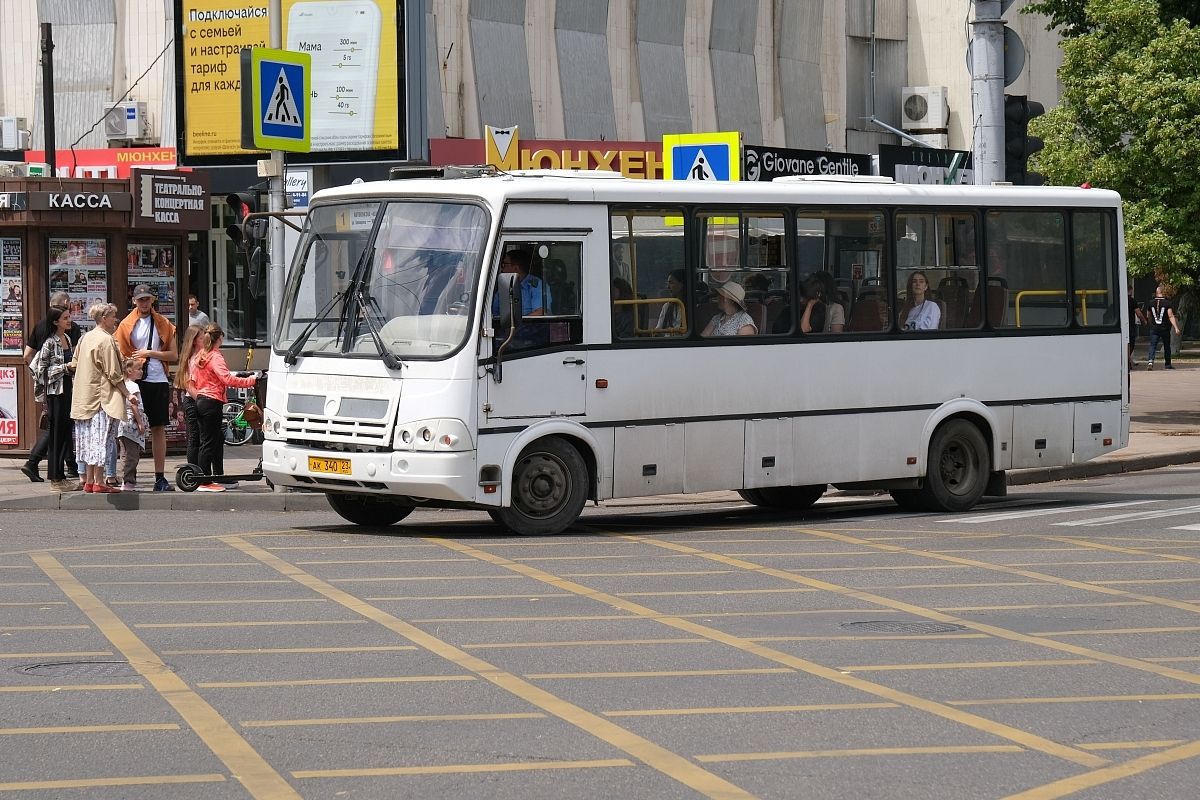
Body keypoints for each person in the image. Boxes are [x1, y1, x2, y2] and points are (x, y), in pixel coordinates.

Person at [116, 284, 178, 491]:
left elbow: (173, 355)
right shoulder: (125, 325)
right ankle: (129, 477)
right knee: (130, 428)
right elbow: (120, 354)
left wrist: (150, 353)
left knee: (158, 427)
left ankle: (159, 477)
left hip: (158, 378)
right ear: (134, 301)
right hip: (135, 379)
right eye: (140, 299)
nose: (144, 302)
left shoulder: (163, 323)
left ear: (152, 300)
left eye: (147, 299)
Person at [21, 292, 82, 483]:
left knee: (64, 431)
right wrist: (64, 368)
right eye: (66, 317)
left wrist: (73, 369)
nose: (70, 319)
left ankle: (62, 473)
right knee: (55, 433)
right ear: (56, 321)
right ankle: (54, 474)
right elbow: (40, 370)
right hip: (55, 393)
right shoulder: (49, 342)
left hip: (68, 390)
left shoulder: (68, 339)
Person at [190, 323, 258, 493]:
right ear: (219, 338)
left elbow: (197, 379)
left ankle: (210, 477)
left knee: (211, 439)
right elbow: (227, 379)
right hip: (212, 401)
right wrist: (251, 381)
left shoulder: (201, 355)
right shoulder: (215, 356)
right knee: (209, 442)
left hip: (201, 399)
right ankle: (205, 481)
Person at [71, 303, 129, 494]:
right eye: (113, 316)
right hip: (101, 399)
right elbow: (113, 373)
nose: (115, 320)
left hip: (84, 398)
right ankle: (98, 481)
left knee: (87, 440)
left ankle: (89, 481)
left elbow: (75, 363)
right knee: (102, 440)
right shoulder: (106, 340)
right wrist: (128, 394)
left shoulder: (85, 337)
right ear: (104, 318)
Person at [174, 324, 205, 467]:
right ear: (194, 340)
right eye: (201, 336)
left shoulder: (203, 355)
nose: (205, 338)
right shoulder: (191, 359)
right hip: (194, 400)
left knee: (202, 437)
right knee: (195, 437)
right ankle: (193, 470)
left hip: (200, 398)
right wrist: (202, 400)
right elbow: (188, 384)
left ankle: (200, 470)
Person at [117, 358, 149, 491]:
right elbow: (134, 405)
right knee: (132, 454)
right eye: (138, 369)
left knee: (125, 453)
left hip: (122, 423)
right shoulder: (133, 386)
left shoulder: (123, 384)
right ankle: (128, 481)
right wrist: (140, 423)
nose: (141, 372)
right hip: (131, 423)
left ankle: (127, 479)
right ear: (129, 371)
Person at [1145, 284, 1182, 369]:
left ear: (1156, 293)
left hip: (1154, 328)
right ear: (1163, 293)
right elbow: (1170, 316)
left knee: (1153, 345)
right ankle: (1167, 364)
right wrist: (1176, 327)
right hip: (1165, 328)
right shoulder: (1167, 303)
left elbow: (1148, 315)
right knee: (1166, 345)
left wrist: (1151, 323)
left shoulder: (1151, 302)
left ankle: (1150, 361)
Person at [1127, 283, 1146, 369]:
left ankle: (1127, 360)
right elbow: (1138, 313)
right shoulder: (1132, 300)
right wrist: (1144, 321)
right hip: (1130, 325)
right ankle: (1128, 360)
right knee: (1131, 344)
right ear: (1130, 290)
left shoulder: (1119, 299)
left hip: (1123, 326)